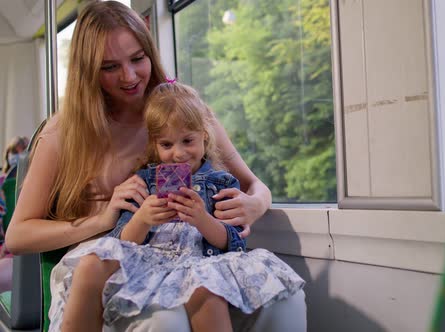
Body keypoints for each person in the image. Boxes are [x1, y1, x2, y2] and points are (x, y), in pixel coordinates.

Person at [5, 1, 306, 331]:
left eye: (137, 59)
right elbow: (18, 236)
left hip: (188, 257)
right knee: (166, 321)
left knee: (285, 301)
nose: (130, 76)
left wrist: (254, 205)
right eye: (109, 67)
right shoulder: (64, 133)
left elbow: (255, 185)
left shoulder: (183, 113)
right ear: (88, 71)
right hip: (116, 257)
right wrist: (102, 219)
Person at [50, 82, 304, 332]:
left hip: (201, 264)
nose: (179, 153)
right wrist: (143, 219)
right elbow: (122, 242)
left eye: (187, 141)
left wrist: (202, 219)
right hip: (152, 265)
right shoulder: (143, 183)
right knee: (95, 262)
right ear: (155, 144)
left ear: (205, 135)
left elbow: (233, 241)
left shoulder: (220, 183)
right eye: (167, 145)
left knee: (208, 295)